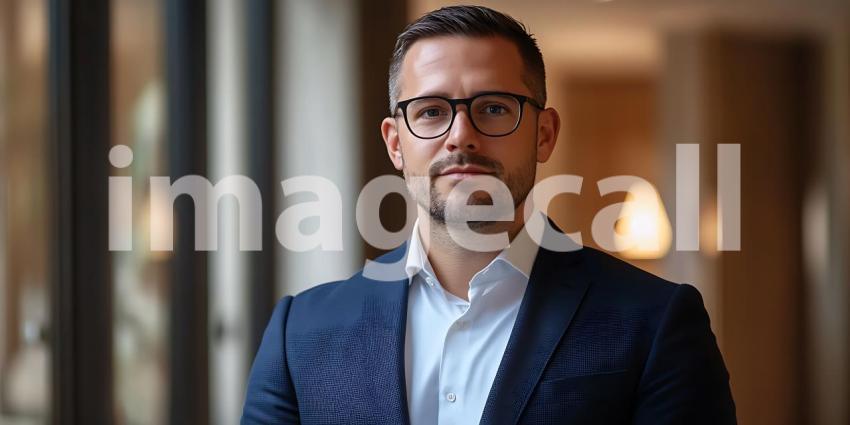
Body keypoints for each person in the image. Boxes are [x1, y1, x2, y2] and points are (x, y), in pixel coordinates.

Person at [242, 5, 736, 424]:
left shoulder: (654, 323)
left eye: (494, 108)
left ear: (544, 134)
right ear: (396, 142)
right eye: (431, 111)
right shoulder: (299, 334)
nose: (461, 135)